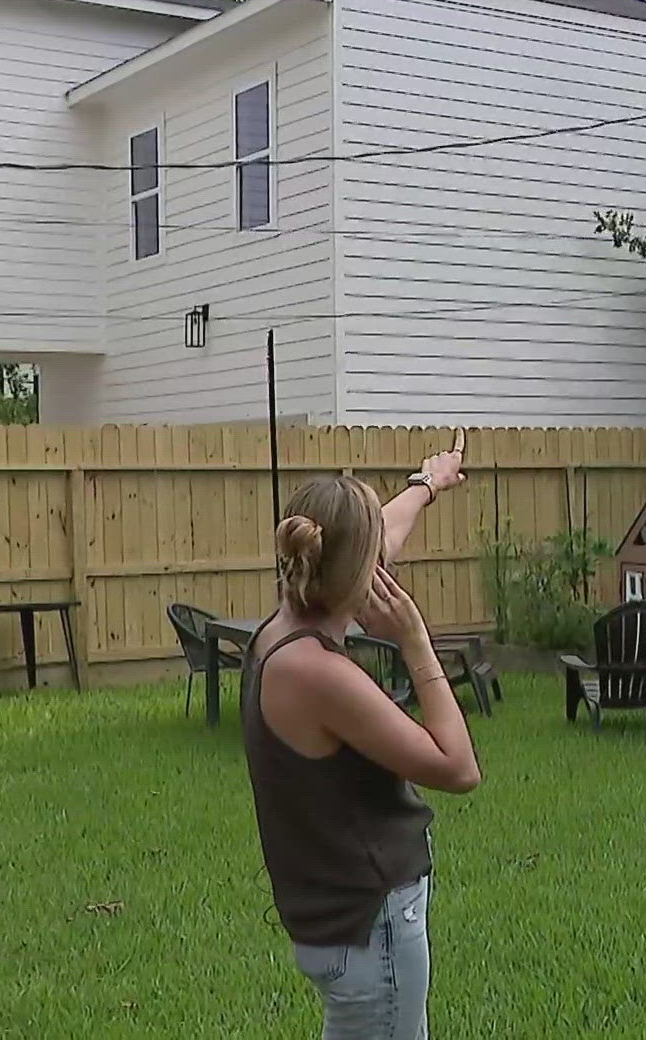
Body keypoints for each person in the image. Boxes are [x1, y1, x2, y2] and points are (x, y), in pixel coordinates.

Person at [241, 435, 478, 1040]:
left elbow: (385, 531)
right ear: (361, 572)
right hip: (369, 925)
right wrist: (416, 641)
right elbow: (458, 768)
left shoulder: (277, 632)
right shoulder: (320, 674)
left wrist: (429, 484)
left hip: (332, 922)